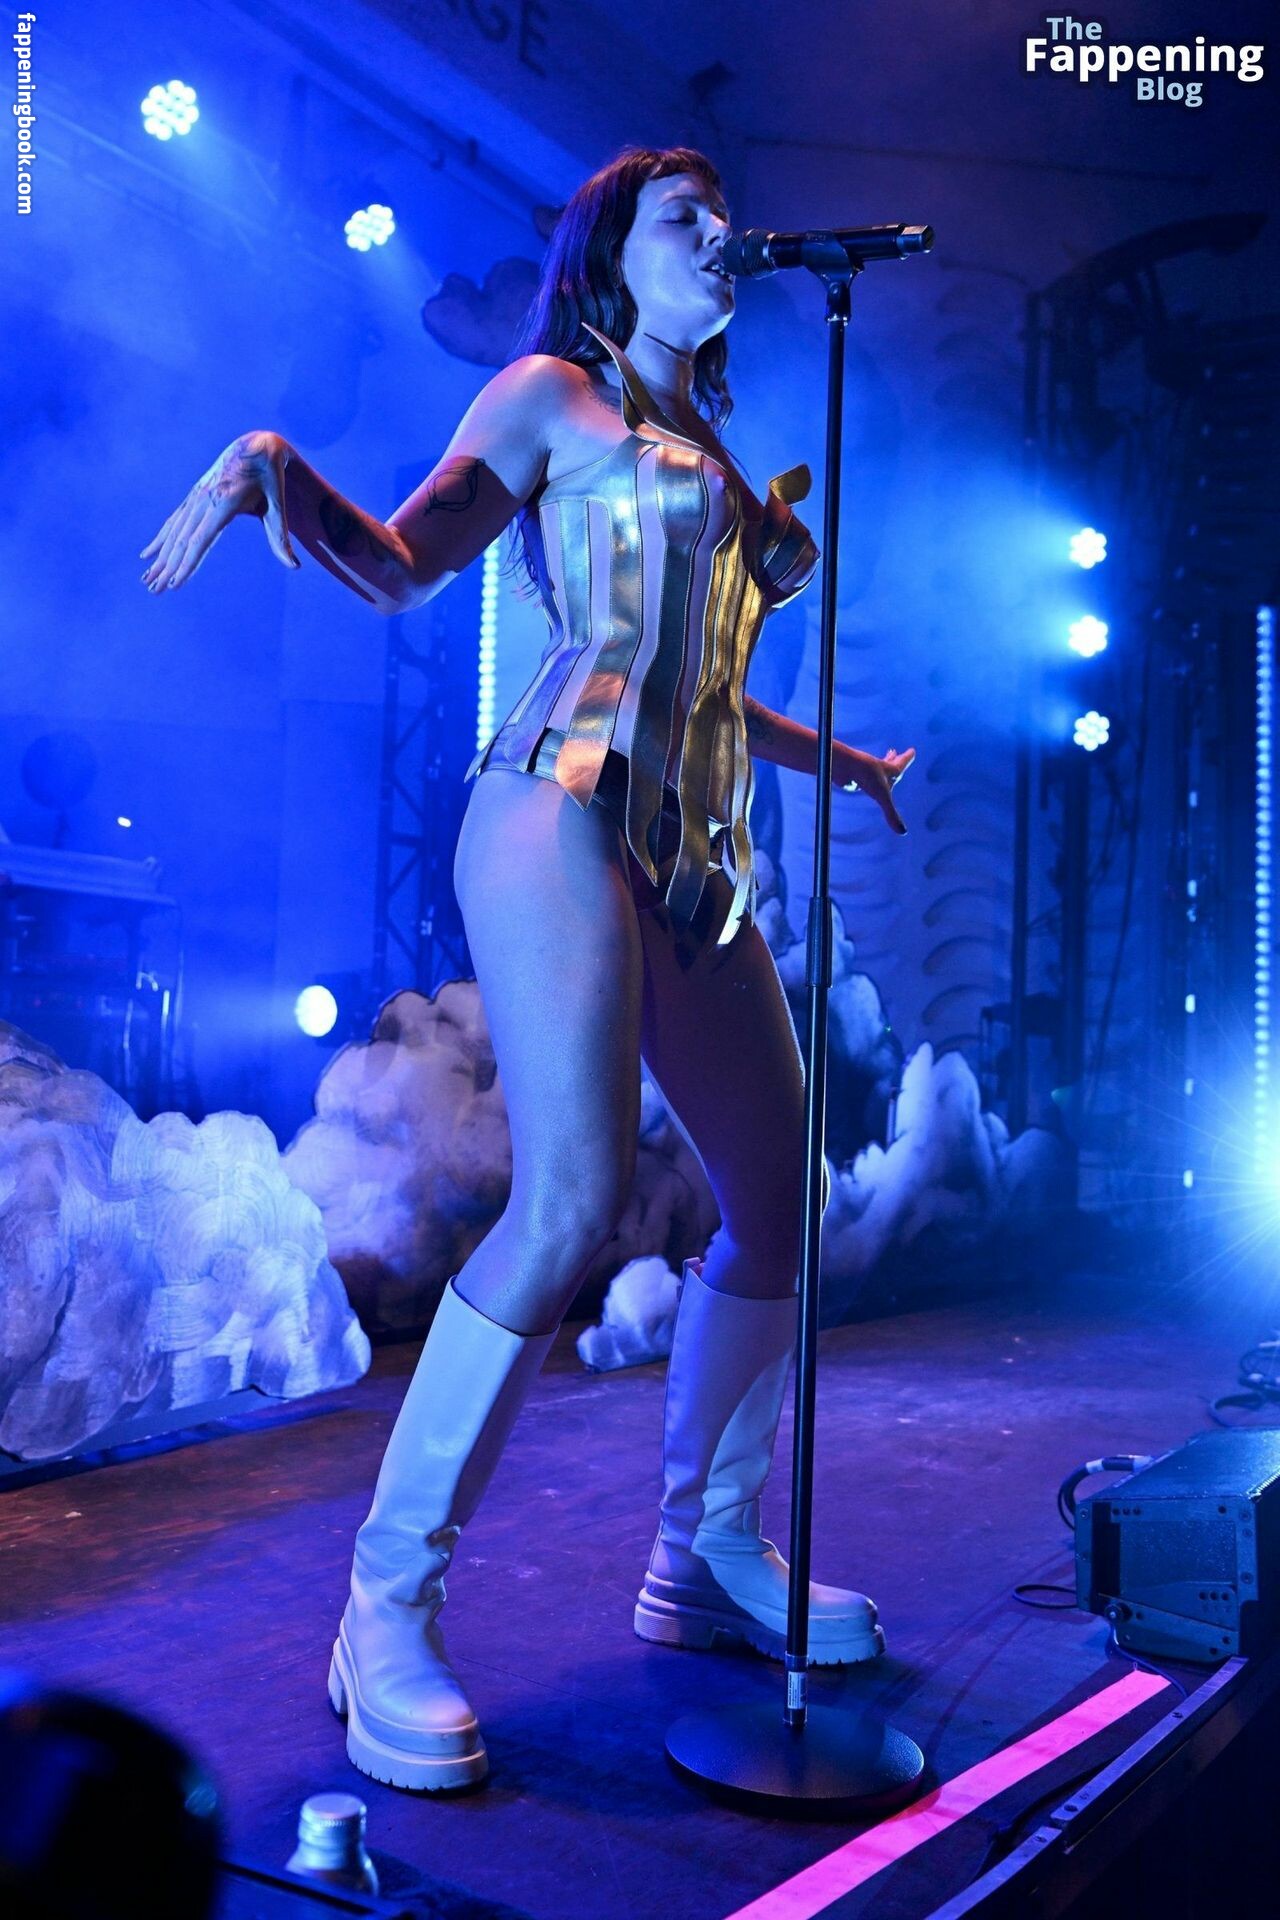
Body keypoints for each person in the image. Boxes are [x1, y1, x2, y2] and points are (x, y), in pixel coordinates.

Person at [140, 144, 915, 1795]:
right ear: (610, 258)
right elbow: (402, 563)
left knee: (775, 1201)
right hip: (554, 805)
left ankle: (704, 1553)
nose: (719, 234)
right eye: (682, 217)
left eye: (722, 211)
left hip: (695, 843)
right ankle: (384, 1607)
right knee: (569, 1201)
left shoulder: (711, 446)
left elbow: (703, 685)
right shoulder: (552, 395)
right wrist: (283, 469)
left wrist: (839, 763)